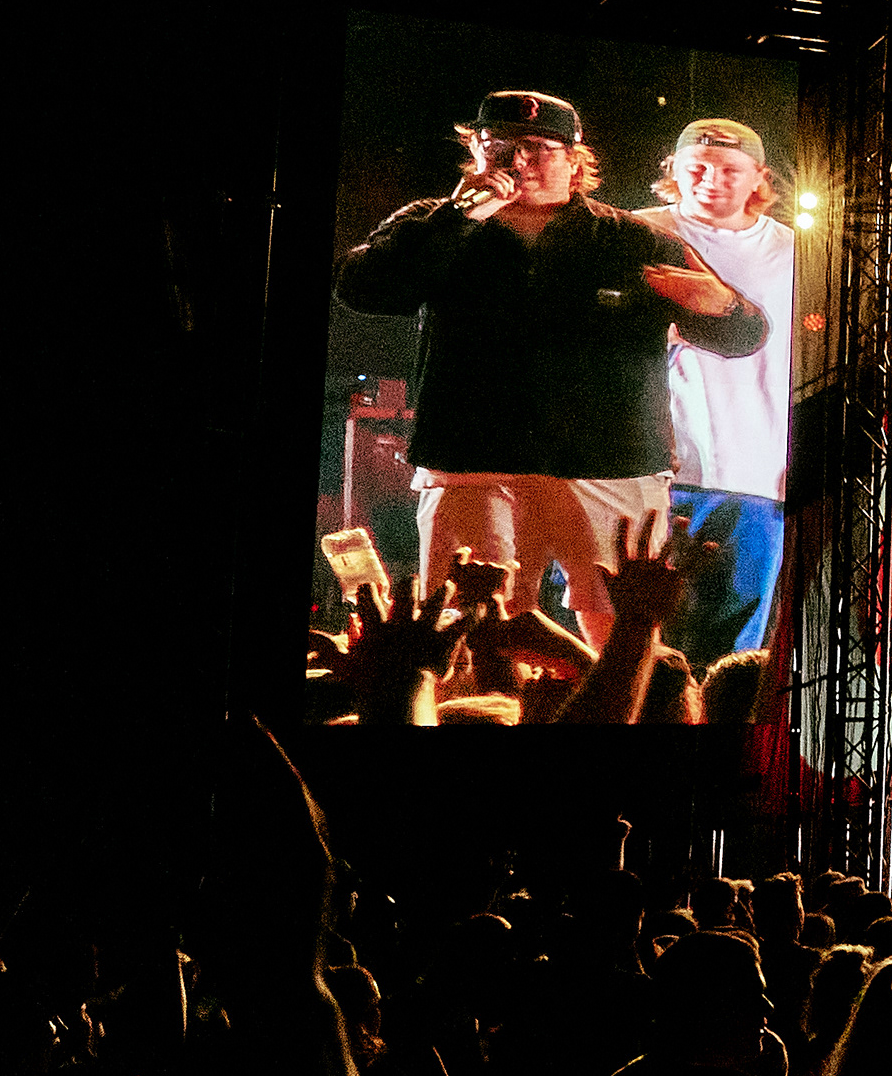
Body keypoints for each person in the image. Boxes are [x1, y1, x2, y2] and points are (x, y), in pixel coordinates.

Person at [336, 89, 767, 641]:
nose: (518, 161)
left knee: (621, 629)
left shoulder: (631, 239)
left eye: (538, 148)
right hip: (473, 459)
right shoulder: (436, 224)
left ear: (574, 157)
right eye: (499, 146)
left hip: (609, 461)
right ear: (475, 148)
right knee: (467, 627)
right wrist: (457, 217)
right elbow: (363, 289)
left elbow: (744, 336)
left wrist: (723, 304)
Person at [626, 119, 795, 665]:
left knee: (732, 643)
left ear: (759, 177)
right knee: (631, 634)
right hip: (646, 468)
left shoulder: (796, 252)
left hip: (755, 475)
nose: (711, 181)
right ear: (673, 170)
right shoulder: (635, 233)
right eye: (696, 168)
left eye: (729, 170)